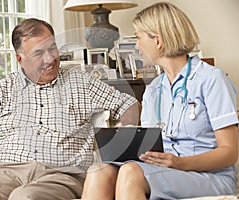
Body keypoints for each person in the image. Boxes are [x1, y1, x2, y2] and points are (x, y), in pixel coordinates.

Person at [0, 18, 139, 200]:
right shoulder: (2, 89)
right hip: (7, 172)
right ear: (20, 58)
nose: (50, 58)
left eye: (52, 48)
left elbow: (130, 104)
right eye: (38, 53)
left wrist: (125, 135)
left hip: (61, 174)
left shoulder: (82, 83)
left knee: (25, 197)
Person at [81, 2, 238, 200]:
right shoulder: (154, 89)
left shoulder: (211, 80)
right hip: (165, 170)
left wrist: (180, 163)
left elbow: (230, 152)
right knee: (100, 171)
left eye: (138, 37)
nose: (136, 45)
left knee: (131, 173)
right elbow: (149, 145)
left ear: (158, 40)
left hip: (207, 175)